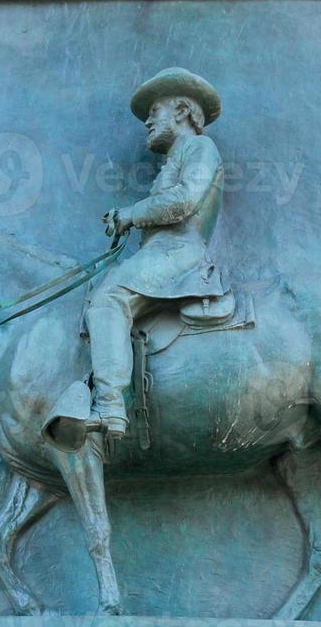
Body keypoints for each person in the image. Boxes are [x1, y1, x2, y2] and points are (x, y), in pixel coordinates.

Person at [86, 67, 226, 437]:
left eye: (154, 111)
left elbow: (184, 201)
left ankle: (110, 407)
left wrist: (131, 214)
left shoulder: (199, 147)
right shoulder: (179, 155)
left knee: (109, 298)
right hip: (163, 251)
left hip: (180, 251)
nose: (147, 120)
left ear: (181, 110)